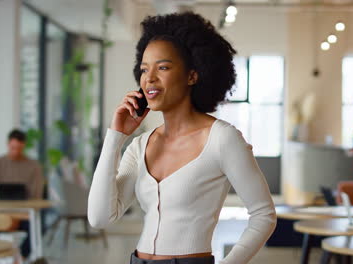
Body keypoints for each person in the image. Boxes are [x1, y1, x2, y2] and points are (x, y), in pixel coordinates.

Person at [88, 12, 277, 264]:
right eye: (145, 69)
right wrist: (115, 137)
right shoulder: (140, 145)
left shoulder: (222, 138)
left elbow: (264, 215)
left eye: (163, 67)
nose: (149, 78)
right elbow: (99, 218)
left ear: (192, 75)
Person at [0, 129, 44, 259]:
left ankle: (22, 258)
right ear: (7, 144)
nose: (15, 151)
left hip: (25, 213)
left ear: (23, 146)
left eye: (18, 148)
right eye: (12, 148)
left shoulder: (33, 166)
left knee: (32, 229)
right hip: (2, 211)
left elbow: (37, 193)